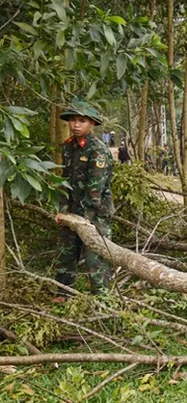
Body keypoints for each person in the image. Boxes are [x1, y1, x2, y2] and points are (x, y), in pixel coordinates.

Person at [53, 100, 114, 300]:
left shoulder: (98, 150)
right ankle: (64, 293)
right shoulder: (69, 146)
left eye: (82, 120)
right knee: (66, 251)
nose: (76, 125)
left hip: (95, 213)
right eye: (72, 120)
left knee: (95, 256)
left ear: (92, 124)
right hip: (72, 210)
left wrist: (84, 219)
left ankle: (102, 300)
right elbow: (64, 181)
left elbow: (94, 190)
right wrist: (63, 210)